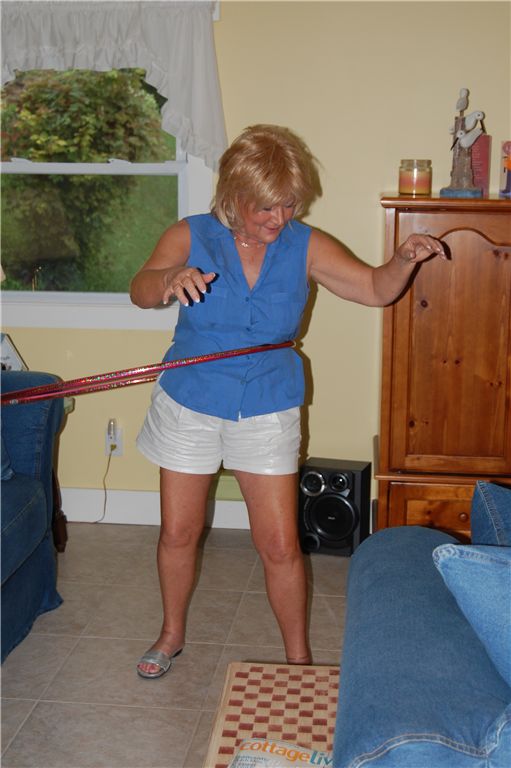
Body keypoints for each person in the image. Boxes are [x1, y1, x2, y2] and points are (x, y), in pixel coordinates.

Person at [130, 124, 446, 678]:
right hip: (190, 400)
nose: (278, 218)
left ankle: (298, 660)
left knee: (279, 544)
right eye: (266, 207)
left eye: (289, 204)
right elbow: (140, 289)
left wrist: (403, 259)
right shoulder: (191, 233)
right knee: (178, 533)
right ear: (235, 195)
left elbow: (374, 288)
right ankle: (171, 635)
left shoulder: (305, 244)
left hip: (267, 403)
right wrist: (168, 280)